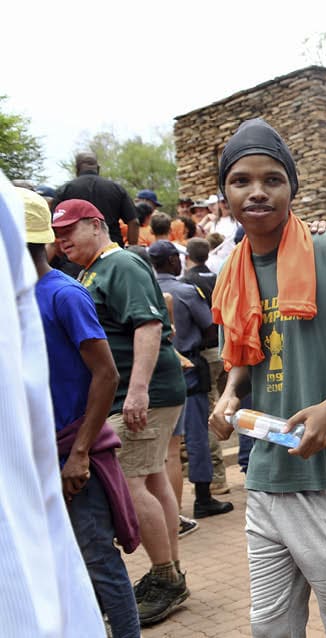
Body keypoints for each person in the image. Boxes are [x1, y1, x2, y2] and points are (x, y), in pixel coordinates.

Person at [207, 118, 326, 637]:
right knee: (269, 627)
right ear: (224, 191)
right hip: (267, 474)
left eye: (272, 179)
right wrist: (228, 395)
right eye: (241, 180)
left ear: (292, 186)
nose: (257, 192)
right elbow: (244, 358)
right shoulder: (232, 270)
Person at [50, 198, 189, 626]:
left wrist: (138, 391)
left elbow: (147, 325)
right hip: (138, 390)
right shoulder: (92, 269)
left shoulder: (120, 264)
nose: (62, 239)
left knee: (130, 482)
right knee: (148, 478)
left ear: (96, 225)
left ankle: (166, 577)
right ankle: (169, 571)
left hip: (138, 390)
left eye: (70, 230)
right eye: (56, 234)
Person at [19, 185, 138, 637]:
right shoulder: (15, 299)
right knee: (55, 560)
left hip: (72, 449)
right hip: (36, 454)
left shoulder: (63, 295)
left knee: (99, 560)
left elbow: (106, 375)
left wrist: (81, 452)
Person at [149, 240, 233, 520]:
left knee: (164, 443)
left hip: (154, 370)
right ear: (173, 260)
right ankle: (203, 497)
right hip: (187, 367)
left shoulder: (145, 291)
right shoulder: (184, 291)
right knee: (196, 432)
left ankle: (166, 507)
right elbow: (210, 325)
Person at [53, 151, 140, 247]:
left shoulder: (64, 190)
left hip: (76, 251)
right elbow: (134, 222)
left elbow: (54, 225)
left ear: (77, 169)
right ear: (98, 168)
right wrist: (133, 248)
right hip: (110, 249)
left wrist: (60, 249)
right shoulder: (117, 189)